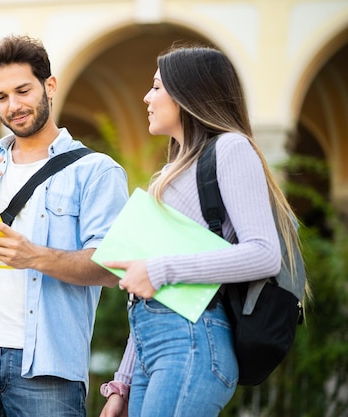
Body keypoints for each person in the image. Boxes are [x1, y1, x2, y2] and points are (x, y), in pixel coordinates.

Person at [0, 34, 129, 417]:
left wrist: (34, 256)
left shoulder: (96, 171)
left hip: (47, 368)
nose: (13, 106)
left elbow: (111, 266)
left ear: (49, 86)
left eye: (23, 91)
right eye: (1, 97)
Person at [98, 44, 303, 417]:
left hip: (191, 343)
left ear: (189, 93)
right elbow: (142, 292)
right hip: (153, 346)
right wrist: (122, 383)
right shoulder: (167, 176)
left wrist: (159, 269)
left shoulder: (230, 148)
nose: (147, 97)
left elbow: (264, 253)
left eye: (157, 87)